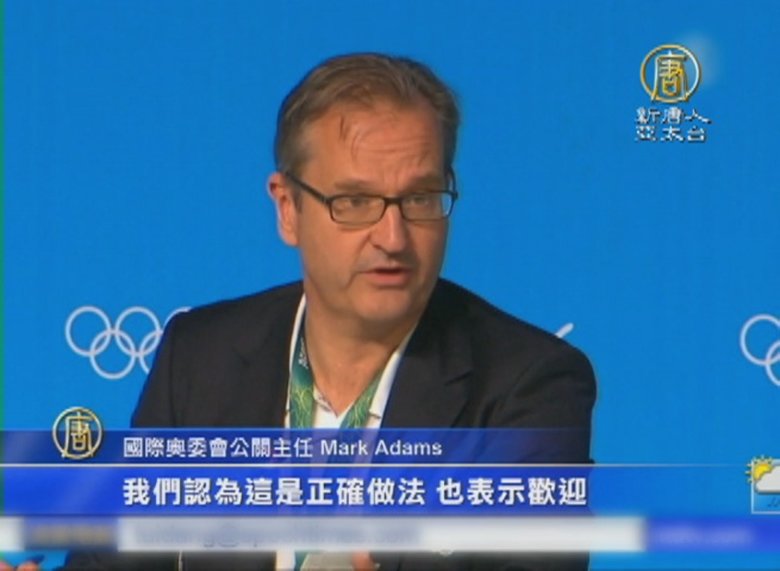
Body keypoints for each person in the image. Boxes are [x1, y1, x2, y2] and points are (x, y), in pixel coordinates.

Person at [53, 52, 596, 570]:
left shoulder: (529, 386)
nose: (393, 237)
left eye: (420, 198)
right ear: (287, 208)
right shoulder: (199, 356)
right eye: (354, 202)